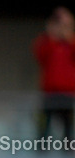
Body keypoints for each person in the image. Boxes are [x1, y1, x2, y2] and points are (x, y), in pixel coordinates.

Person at [33, 7, 75, 142]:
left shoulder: (71, 43)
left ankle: (68, 151)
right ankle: (41, 151)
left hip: (68, 93)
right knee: (44, 126)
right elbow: (40, 55)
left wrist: (68, 34)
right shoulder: (47, 42)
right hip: (50, 92)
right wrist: (52, 34)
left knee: (68, 127)